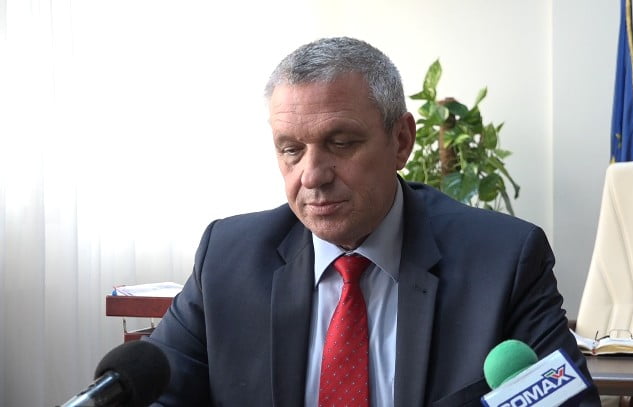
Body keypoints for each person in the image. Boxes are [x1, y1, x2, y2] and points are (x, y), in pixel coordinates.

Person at [147, 36, 601, 406]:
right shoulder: (227, 258)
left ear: (401, 141)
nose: (312, 175)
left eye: (341, 143)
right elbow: (158, 393)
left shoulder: (503, 261)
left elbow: (567, 401)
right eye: (291, 150)